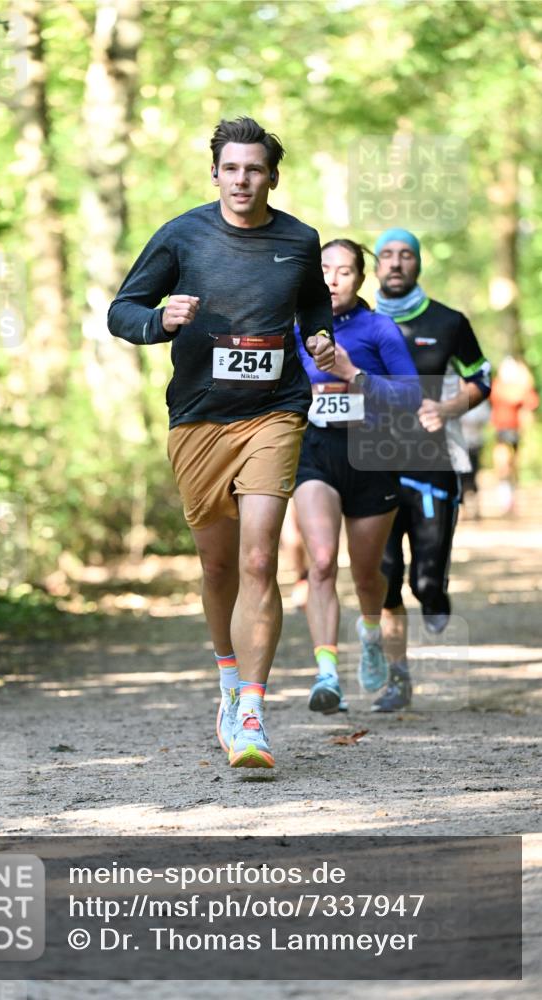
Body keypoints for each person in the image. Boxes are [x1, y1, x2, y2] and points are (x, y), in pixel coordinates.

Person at [108, 117, 335, 768]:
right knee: (217, 566)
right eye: (231, 168)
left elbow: (313, 306)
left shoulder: (298, 239)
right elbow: (121, 309)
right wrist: (160, 319)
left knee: (260, 560)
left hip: (276, 410)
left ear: (272, 176)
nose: (242, 180)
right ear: (215, 173)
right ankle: (228, 678)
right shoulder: (182, 235)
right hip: (200, 417)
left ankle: (254, 713)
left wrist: (317, 337)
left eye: (254, 169)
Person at [293, 239, 421, 714]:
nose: (332, 279)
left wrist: (353, 373)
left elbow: (412, 399)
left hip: (372, 454)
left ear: (360, 280)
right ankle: (327, 674)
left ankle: (371, 636)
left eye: (344, 271)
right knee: (322, 562)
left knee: (371, 577)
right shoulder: (297, 327)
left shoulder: (378, 329)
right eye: (324, 269)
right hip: (317, 451)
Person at [373, 228, 491, 712]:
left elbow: (481, 377)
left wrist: (447, 409)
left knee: (424, 579)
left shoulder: (448, 321)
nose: (396, 263)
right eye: (387, 255)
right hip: (370, 465)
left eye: (406, 255)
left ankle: (436, 596)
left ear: (418, 264)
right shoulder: (355, 321)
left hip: (432, 463)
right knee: (384, 580)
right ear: (375, 266)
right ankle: (397, 680)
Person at [490, 356, 539, 515]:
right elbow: (506, 397)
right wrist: (520, 390)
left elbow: (531, 402)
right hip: (501, 430)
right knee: (502, 465)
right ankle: (505, 498)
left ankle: (512, 498)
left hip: (516, 430)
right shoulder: (499, 385)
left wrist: (524, 385)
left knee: (513, 466)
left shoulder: (520, 385)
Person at [459, 398, 491, 518]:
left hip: (475, 444)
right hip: (460, 445)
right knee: (461, 478)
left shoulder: (480, 400)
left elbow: (485, 417)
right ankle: (462, 509)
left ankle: (476, 509)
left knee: (474, 476)